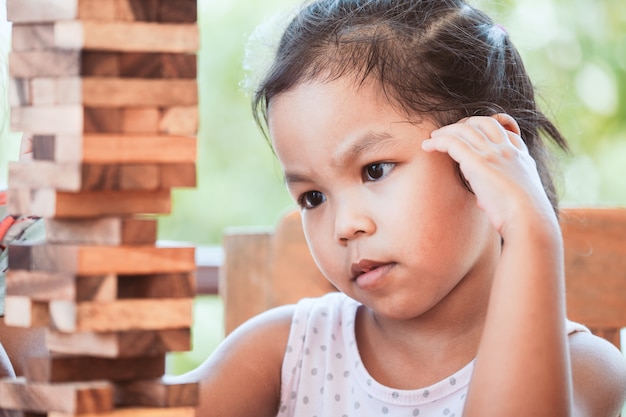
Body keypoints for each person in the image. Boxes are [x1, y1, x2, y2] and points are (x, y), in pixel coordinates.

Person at [175, 0, 626, 415]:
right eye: (313, 197)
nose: (345, 227)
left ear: (492, 156)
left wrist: (532, 230)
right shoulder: (285, 350)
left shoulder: (582, 367)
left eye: (374, 170)